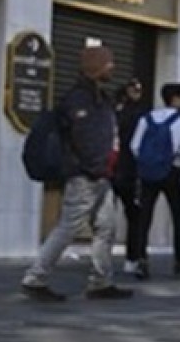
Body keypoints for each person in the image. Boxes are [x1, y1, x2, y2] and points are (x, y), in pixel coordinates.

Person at [21, 45, 134, 302]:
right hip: (86, 176)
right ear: (96, 68)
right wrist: (96, 168)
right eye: (108, 64)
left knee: (107, 227)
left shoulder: (99, 97)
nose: (113, 68)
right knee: (69, 227)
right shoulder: (80, 100)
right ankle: (35, 277)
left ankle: (101, 280)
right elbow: (85, 138)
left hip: (101, 176)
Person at [130, 82, 180, 277]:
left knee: (145, 215)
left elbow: (135, 146)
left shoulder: (147, 118)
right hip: (170, 172)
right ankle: (179, 258)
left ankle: (141, 258)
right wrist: (178, 163)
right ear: (175, 99)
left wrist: (147, 162)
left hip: (148, 172)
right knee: (177, 214)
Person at [113, 78, 146, 274]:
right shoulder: (140, 114)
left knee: (107, 215)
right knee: (134, 215)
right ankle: (132, 257)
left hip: (112, 168)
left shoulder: (113, 111)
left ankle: (106, 256)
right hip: (128, 169)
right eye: (135, 89)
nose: (138, 91)